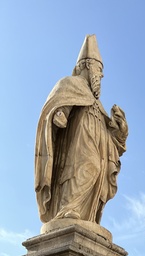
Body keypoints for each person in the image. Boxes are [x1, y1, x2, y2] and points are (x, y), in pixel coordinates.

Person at [35, 34, 128, 224]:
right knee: (87, 167)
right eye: (99, 69)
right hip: (79, 143)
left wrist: (120, 129)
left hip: (96, 145)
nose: (101, 75)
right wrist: (59, 113)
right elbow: (58, 105)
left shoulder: (97, 103)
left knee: (95, 169)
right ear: (86, 65)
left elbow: (112, 140)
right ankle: (68, 208)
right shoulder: (70, 84)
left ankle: (82, 215)